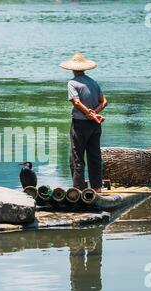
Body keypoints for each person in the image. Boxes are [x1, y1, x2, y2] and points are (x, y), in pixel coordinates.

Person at [60, 53, 108, 192]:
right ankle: (97, 188)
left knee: (77, 157)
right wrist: (94, 114)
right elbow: (104, 101)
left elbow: (76, 102)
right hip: (95, 124)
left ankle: (79, 189)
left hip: (80, 124)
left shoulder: (72, 83)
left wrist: (89, 114)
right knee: (94, 156)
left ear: (72, 69)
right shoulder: (93, 82)